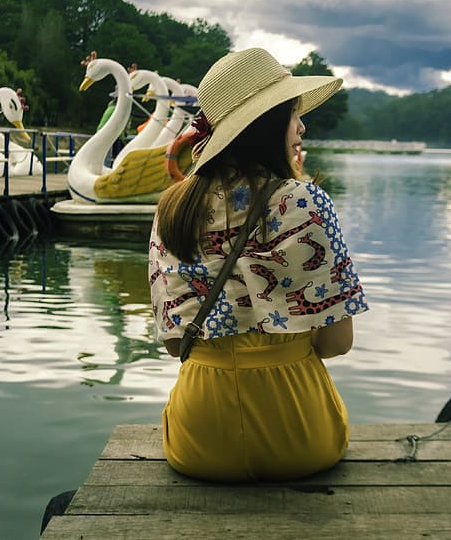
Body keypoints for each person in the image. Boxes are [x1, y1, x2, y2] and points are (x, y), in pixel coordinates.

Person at [148, 47, 369, 482]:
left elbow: (176, 345)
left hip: (199, 438)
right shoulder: (304, 202)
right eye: (293, 114)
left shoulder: (171, 207)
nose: (302, 126)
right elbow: (336, 343)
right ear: (267, 125)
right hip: (301, 435)